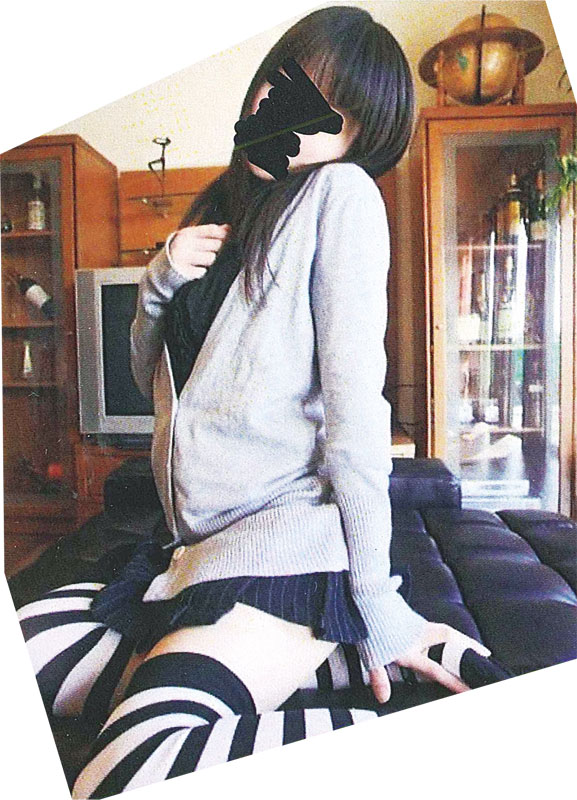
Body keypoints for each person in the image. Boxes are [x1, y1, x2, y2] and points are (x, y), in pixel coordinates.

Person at [16, 7, 491, 798]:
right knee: (27, 651)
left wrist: (374, 596)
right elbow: (147, 376)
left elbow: (355, 408)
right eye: (283, 80)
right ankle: (322, 661)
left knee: (126, 769)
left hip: (283, 547)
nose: (284, 107)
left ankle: (435, 716)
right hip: (192, 551)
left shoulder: (339, 195)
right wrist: (159, 281)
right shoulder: (223, 208)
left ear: (356, 139)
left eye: (325, 110)